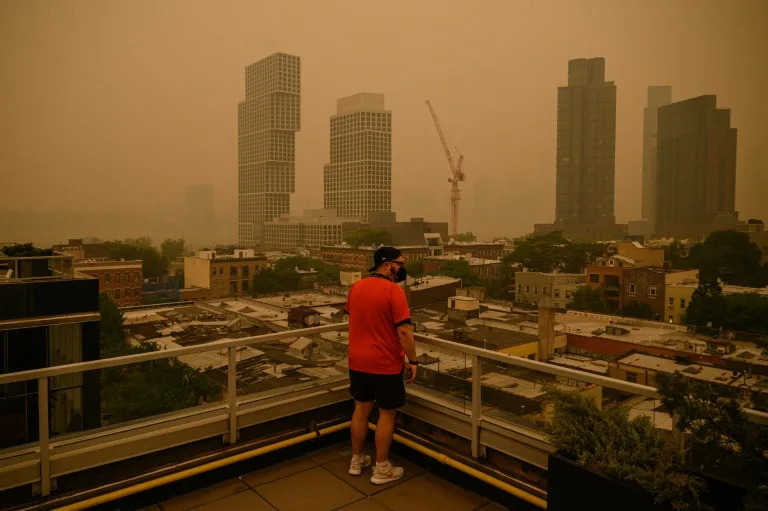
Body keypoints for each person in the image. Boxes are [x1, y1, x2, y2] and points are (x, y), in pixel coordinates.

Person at [345, 246, 418, 484]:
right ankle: (381, 468)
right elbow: (405, 332)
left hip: (357, 360)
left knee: (361, 410)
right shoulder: (393, 291)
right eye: (400, 263)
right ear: (388, 266)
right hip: (384, 363)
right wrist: (413, 360)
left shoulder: (356, 287)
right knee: (386, 414)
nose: (402, 268)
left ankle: (356, 461)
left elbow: (355, 318)